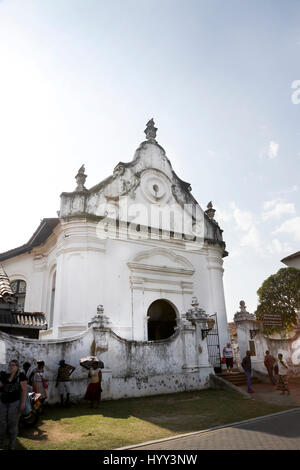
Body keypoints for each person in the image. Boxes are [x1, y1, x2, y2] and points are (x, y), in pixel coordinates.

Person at [0, 359, 27, 450]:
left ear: (17, 366)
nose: (11, 366)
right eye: (10, 365)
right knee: (2, 424)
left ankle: (11, 445)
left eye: (14, 365)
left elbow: (24, 390)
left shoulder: (21, 376)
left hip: (14, 403)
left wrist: (23, 403)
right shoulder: (5, 375)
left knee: (13, 424)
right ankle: (1, 445)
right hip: (3, 403)